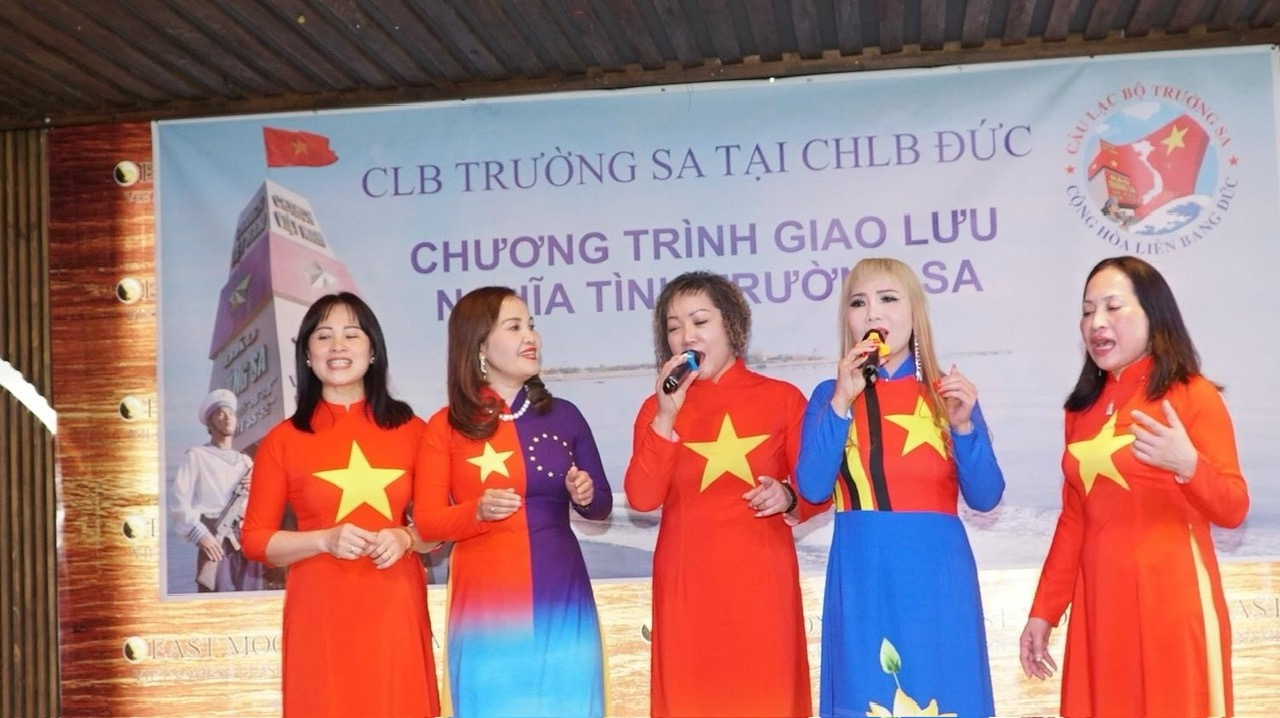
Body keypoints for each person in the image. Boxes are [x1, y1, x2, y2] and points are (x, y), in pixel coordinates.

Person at [1019, 256, 1249, 717]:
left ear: (1153, 315)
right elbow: (1074, 521)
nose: (1096, 323)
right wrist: (1044, 611)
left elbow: (1233, 508)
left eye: (1112, 307)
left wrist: (1188, 465)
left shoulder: (1192, 395)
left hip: (1171, 600)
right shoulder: (1080, 411)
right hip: (1100, 607)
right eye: (1087, 311)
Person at [795, 257, 1004, 718]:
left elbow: (986, 496)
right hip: (863, 573)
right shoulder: (830, 395)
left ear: (914, 314)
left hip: (938, 577)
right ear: (847, 320)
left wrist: (964, 427)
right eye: (858, 303)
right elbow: (811, 487)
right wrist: (842, 400)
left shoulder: (947, 394)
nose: (873, 313)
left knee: (944, 694)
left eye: (888, 299)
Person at [623, 271, 821, 718]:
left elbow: (817, 490)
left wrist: (788, 497)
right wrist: (665, 418)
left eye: (700, 322)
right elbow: (641, 498)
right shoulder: (657, 409)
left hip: (761, 582)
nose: (686, 337)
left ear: (732, 325)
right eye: (674, 328)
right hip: (687, 586)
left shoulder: (782, 398)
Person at [414, 286, 612, 717]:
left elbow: (601, 505)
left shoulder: (565, 415)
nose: (531, 337)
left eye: (532, 326)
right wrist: (476, 512)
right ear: (479, 346)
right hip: (487, 609)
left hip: (562, 592)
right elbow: (427, 525)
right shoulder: (444, 426)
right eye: (515, 327)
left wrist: (585, 493)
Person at [241, 292, 439, 718]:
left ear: (373, 350)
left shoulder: (413, 430)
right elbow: (255, 540)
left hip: (395, 608)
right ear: (307, 354)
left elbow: (437, 528)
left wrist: (405, 537)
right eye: (323, 336)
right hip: (319, 613)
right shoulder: (283, 440)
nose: (337, 346)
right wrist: (324, 540)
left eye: (352, 334)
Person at [169, 388, 265, 593]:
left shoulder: (246, 462)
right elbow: (179, 502)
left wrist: (257, 489)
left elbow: (261, 506)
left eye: (231, 413)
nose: (228, 417)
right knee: (217, 598)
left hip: (247, 538)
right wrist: (199, 534)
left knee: (252, 600)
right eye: (220, 413)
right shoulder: (197, 456)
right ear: (210, 423)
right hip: (215, 537)